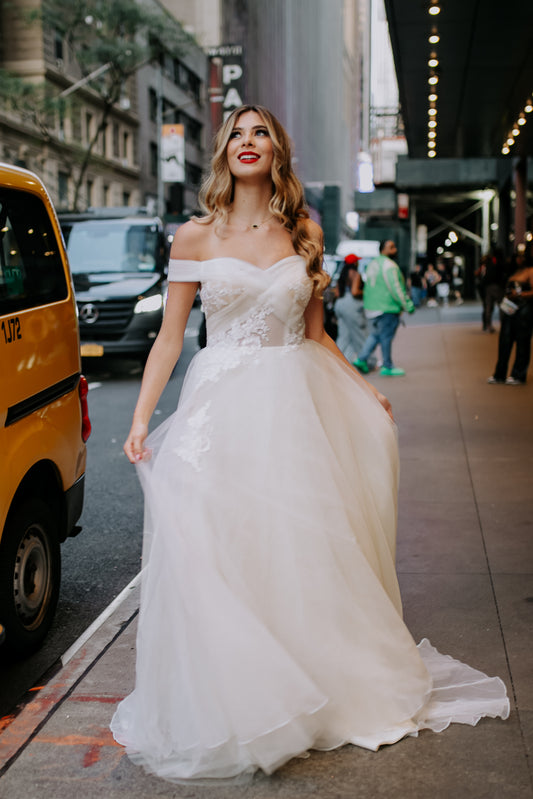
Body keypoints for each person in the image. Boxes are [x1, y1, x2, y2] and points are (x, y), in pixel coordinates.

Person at [110, 105, 509, 783]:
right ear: (223, 152)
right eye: (235, 133)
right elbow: (170, 338)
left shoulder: (305, 233)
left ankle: (313, 684)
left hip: (290, 406)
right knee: (220, 546)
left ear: (277, 152)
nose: (246, 141)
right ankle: (239, 696)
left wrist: (364, 388)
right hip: (218, 408)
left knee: (296, 548)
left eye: (258, 132)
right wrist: (142, 418)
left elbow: (316, 334)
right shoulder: (195, 236)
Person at [353, 240, 414, 377]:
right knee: (386, 337)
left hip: (371, 308)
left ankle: (361, 358)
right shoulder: (389, 265)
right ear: (383, 249)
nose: (395, 250)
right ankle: (387, 366)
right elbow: (396, 288)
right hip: (387, 307)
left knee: (375, 335)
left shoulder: (372, 264)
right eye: (391, 247)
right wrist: (408, 305)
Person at [488, 249, 533, 384]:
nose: (518, 260)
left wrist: (519, 295)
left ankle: (518, 374)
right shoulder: (515, 272)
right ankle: (499, 374)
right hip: (509, 309)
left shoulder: (530, 271)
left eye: (521, 257)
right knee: (504, 342)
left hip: (524, 310)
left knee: (522, 342)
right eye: (517, 257)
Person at [334, 253, 376, 369]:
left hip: (339, 304)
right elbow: (355, 292)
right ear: (354, 263)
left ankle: (338, 362)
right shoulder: (355, 274)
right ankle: (368, 362)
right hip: (352, 305)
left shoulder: (341, 275)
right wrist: (367, 293)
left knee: (344, 336)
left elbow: (337, 293)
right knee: (360, 335)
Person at [478, 248, 507, 333]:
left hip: (488, 286)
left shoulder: (489, 262)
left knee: (488, 306)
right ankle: (502, 325)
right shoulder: (498, 261)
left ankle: (488, 325)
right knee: (500, 306)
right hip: (496, 286)